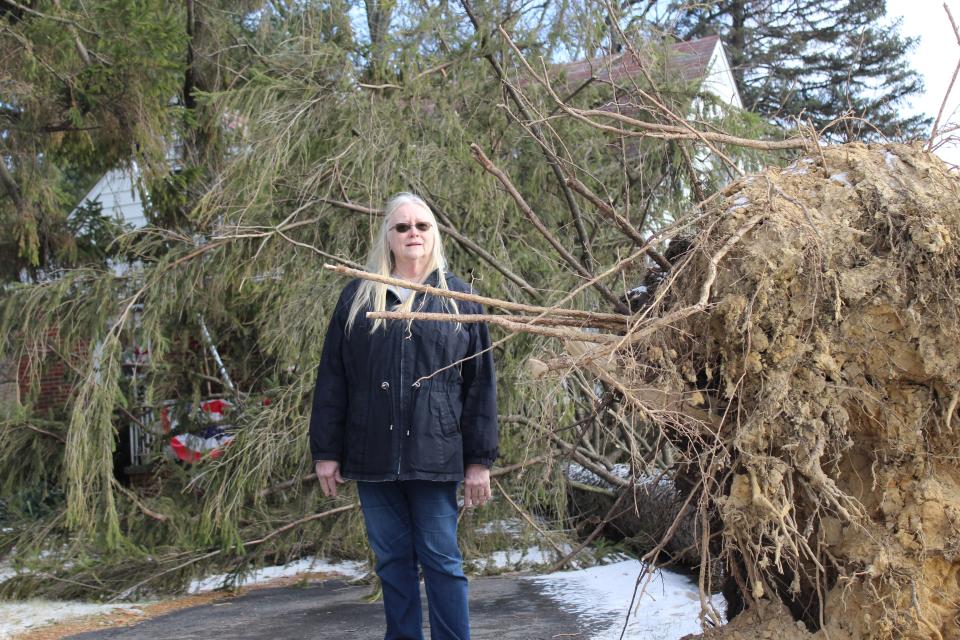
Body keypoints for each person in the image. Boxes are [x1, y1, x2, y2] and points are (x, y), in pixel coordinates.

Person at [309, 192, 499, 640]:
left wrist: (479, 462)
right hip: (372, 455)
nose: (413, 233)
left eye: (422, 225)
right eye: (402, 227)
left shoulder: (460, 300)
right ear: (388, 237)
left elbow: (481, 387)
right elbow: (333, 379)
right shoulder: (357, 297)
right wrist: (326, 453)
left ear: (434, 234)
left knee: (442, 562)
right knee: (392, 563)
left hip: (435, 457)